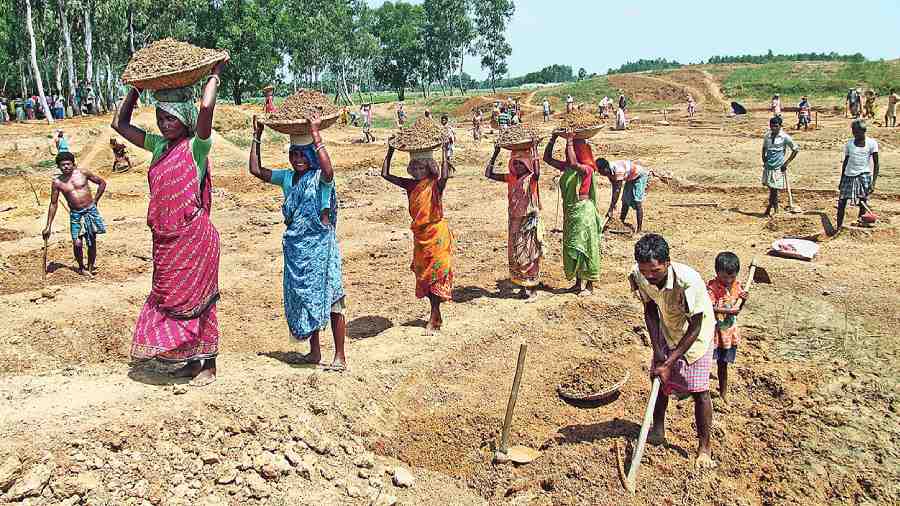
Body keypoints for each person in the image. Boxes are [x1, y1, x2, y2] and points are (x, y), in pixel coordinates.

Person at [112, 58, 227, 386]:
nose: (164, 124)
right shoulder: (158, 145)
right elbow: (120, 125)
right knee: (171, 297)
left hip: (195, 240)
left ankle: (209, 365)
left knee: (202, 300)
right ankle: (191, 362)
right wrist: (136, 88)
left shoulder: (196, 147)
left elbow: (206, 110)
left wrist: (215, 75)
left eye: (171, 118)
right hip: (166, 242)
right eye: (161, 117)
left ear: (185, 119)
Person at [248, 114, 347, 370]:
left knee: (332, 297)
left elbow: (329, 170)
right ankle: (314, 352)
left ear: (312, 155)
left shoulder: (321, 179)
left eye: (304, 154)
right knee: (305, 298)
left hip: (321, 249)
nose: (299, 159)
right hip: (297, 250)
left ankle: (339, 356)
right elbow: (256, 170)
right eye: (294, 154)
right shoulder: (287, 178)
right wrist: (256, 136)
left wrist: (315, 134)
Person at [628, 233, 716, 470]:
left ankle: (704, 447)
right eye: (645, 271)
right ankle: (658, 430)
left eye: (655, 271)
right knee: (659, 381)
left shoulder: (689, 282)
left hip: (696, 336)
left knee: (699, 391)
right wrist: (658, 351)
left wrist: (671, 361)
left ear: (667, 262)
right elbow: (649, 310)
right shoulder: (640, 275)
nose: (649, 276)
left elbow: (696, 326)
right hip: (669, 328)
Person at [381, 142, 453, 333]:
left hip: (437, 234)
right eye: (415, 167)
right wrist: (390, 151)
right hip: (420, 236)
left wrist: (446, 152)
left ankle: (434, 315)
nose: (418, 171)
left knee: (437, 274)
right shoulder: (410, 184)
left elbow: (445, 175)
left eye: (422, 167)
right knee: (424, 275)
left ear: (429, 167)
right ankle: (435, 313)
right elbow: (385, 174)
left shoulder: (436, 184)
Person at [543, 132, 602, 295]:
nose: (568, 154)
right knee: (574, 246)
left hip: (583, 212)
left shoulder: (587, 169)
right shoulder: (567, 167)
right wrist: (553, 139)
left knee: (585, 247)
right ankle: (578, 283)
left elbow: (575, 163)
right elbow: (546, 159)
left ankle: (589, 285)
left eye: (572, 150)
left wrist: (569, 140)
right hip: (570, 212)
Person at [485, 144, 543, 298]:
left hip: (528, 222)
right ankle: (523, 286)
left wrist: (534, 150)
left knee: (530, 253)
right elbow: (488, 174)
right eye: (514, 163)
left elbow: (537, 172)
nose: (517, 166)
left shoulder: (531, 179)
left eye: (521, 163)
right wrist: (495, 153)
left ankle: (533, 286)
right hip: (514, 221)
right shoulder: (510, 178)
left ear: (527, 164)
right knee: (517, 254)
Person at [42, 152, 107, 276]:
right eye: (63, 165)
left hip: (90, 211)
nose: (66, 167)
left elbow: (102, 183)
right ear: (58, 167)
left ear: (73, 164)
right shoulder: (57, 182)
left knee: (91, 241)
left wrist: (96, 200)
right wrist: (48, 226)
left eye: (68, 164)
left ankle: (90, 267)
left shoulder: (83, 173)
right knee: (77, 242)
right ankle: (81, 267)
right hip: (76, 214)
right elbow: (53, 203)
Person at [706, 252, 748, 404]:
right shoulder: (712, 287)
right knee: (705, 362)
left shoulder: (737, 287)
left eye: (732, 277)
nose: (729, 281)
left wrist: (742, 301)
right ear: (717, 273)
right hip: (714, 333)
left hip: (728, 333)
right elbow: (709, 307)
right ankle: (697, 389)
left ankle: (723, 392)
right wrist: (728, 311)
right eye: (725, 278)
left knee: (723, 364)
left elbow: (738, 308)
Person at [836, 119, 879, 230]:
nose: (854, 134)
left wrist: (873, 182)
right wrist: (841, 180)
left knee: (863, 202)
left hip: (864, 175)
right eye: (853, 131)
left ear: (863, 131)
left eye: (856, 132)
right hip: (848, 175)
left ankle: (861, 225)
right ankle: (838, 228)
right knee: (842, 202)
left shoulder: (872, 143)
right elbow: (846, 162)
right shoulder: (849, 144)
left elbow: (876, 164)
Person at [596, 158, 652, 233]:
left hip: (639, 176)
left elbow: (617, 190)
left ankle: (639, 230)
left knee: (637, 201)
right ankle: (621, 222)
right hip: (630, 177)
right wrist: (613, 204)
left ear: (605, 168)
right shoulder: (609, 172)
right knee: (625, 200)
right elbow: (614, 187)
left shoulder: (618, 170)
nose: (600, 174)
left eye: (600, 171)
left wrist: (611, 208)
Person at [760, 116, 799, 216]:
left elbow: (795, 149)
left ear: (780, 126)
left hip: (778, 167)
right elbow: (764, 148)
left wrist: (786, 163)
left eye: (776, 126)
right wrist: (763, 158)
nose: (773, 128)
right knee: (771, 188)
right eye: (771, 126)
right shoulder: (767, 136)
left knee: (774, 189)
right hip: (768, 166)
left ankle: (773, 209)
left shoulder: (785, 137)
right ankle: (772, 208)